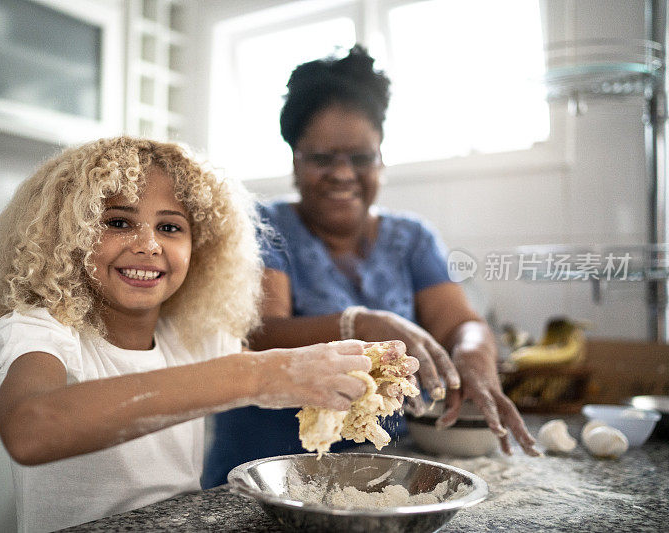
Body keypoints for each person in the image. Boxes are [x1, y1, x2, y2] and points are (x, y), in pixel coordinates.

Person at [0, 136, 383, 532]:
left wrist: (368, 372)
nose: (148, 244)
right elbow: (31, 429)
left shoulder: (194, 337)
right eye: (117, 222)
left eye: (170, 227)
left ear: (200, 250)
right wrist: (255, 375)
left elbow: (290, 375)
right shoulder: (41, 328)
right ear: (67, 234)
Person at [203, 45, 538, 488]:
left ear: (381, 158)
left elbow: (462, 324)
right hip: (264, 472)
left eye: (361, 158)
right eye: (322, 158)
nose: (343, 174)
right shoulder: (264, 226)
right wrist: (358, 325)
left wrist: (475, 356)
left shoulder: (412, 238)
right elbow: (260, 333)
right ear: (294, 161)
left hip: (382, 470)